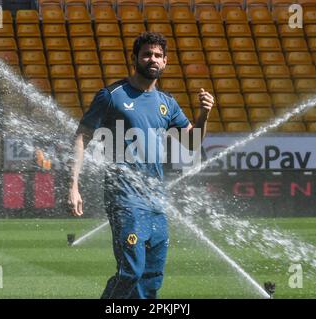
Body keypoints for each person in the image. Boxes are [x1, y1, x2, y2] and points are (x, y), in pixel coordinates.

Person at [69, 32, 215, 299]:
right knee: (131, 271)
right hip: (124, 196)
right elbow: (82, 136)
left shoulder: (166, 103)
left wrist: (204, 115)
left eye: (158, 55)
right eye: (147, 54)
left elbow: (193, 143)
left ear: (166, 62)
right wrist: (74, 185)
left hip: (156, 198)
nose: (152, 59)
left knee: (151, 276)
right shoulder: (112, 95)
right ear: (134, 58)